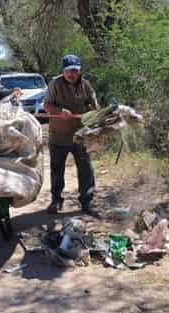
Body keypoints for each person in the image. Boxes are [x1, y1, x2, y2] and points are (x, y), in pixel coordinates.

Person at [43, 54, 100, 215]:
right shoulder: (54, 84)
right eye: (68, 71)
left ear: (79, 70)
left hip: (80, 136)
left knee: (86, 169)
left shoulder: (86, 84)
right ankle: (56, 201)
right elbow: (46, 105)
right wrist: (60, 111)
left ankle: (87, 202)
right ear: (63, 71)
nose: (72, 74)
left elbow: (94, 103)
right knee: (57, 170)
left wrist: (97, 113)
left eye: (75, 70)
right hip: (58, 137)